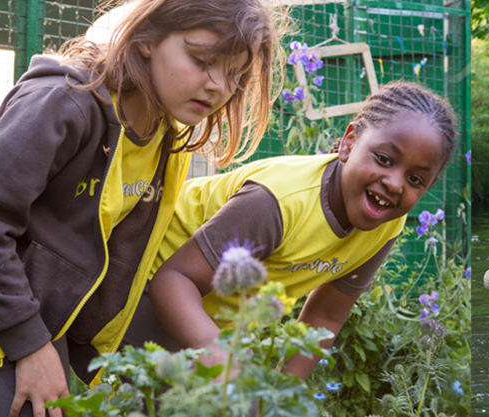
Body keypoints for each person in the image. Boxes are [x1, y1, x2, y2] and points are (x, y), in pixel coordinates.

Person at [0, 0, 284, 415]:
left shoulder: (162, 133)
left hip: (51, 315)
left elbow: (112, 259)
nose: (219, 86)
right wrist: (31, 346)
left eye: (235, 75)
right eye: (202, 60)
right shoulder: (62, 102)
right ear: (146, 38)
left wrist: (105, 361)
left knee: (219, 399)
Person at [144, 82, 458, 377]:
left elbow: (325, 318)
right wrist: (228, 371)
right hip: (147, 276)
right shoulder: (276, 202)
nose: (394, 183)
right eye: (384, 159)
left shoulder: (386, 222)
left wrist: (278, 399)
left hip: (208, 317)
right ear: (349, 143)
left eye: (415, 180)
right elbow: (174, 280)